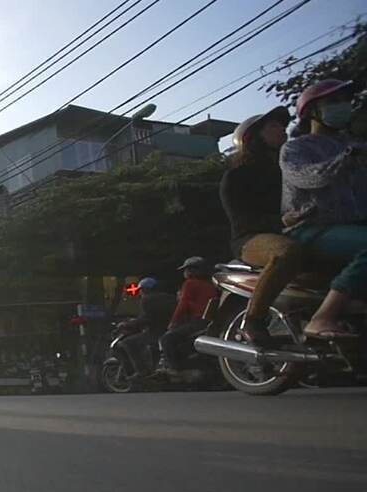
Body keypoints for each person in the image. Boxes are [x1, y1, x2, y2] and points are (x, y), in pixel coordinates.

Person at [280, 79, 367, 340]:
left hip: (353, 228)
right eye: (332, 103)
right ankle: (323, 317)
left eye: (343, 101)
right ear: (312, 112)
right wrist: (346, 159)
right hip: (311, 229)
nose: (342, 107)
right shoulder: (296, 148)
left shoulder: (354, 145)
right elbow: (309, 177)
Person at [220, 106, 304, 345]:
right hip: (251, 239)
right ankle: (253, 320)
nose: (282, 130)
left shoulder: (293, 169)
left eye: (282, 125)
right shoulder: (237, 176)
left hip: (297, 230)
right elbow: (241, 219)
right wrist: (280, 221)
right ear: (253, 137)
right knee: (286, 252)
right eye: (273, 126)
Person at [157, 257, 217, 375]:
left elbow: (183, 304)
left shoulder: (190, 283)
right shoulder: (211, 285)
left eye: (186, 270)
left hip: (197, 322)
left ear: (193, 270)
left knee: (166, 339)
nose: (185, 273)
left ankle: (174, 368)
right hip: (209, 323)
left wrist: (173, 322)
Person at [118, 278, 175, 378]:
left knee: (128, 343)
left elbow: (147, 318)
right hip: (170, 330)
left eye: (140, 290)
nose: (140, 293)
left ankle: (142, 372)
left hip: (156, 332)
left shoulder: (147, 300)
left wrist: (128, 324)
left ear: (144, 289)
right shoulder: (169, 297)